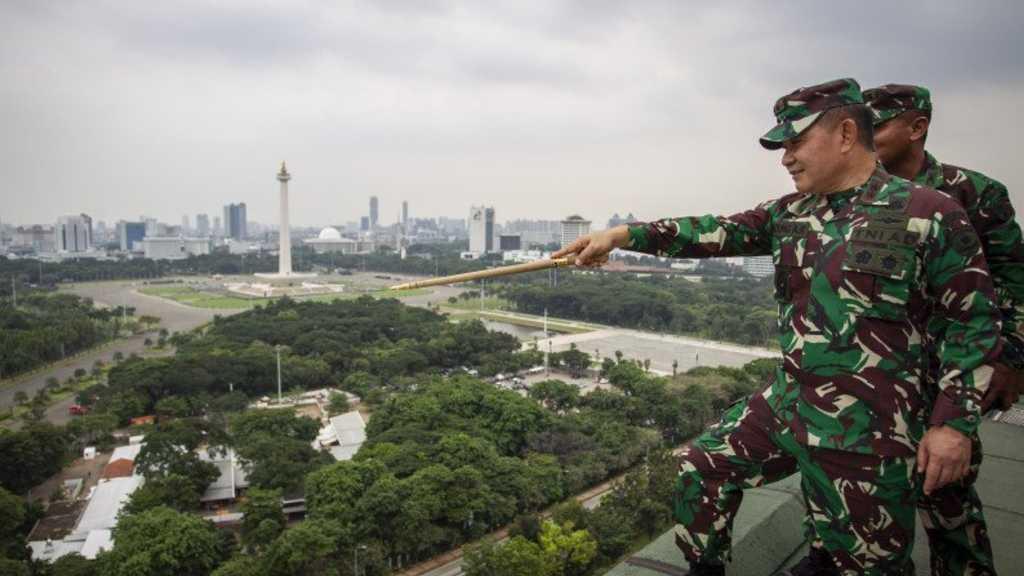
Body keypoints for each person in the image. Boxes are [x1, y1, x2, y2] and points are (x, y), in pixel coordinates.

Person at [553, 78, 1003, 576]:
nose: (786, 158)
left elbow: (973, 324)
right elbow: (713, 231)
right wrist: (620, 235)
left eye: (796, 142)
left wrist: (952, 425)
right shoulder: (790, 213)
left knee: (865, 562)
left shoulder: (929, 214)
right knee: (702, 468)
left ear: (846, 134)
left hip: (871, 425)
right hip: (791, 402)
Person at [862, 83, 1024, 576]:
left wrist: (1011, 359)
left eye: (877, 126)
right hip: (878, 371)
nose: (864, 137)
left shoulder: (973, 193)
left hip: (949, 370)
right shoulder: (857, 194)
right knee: (861, 495)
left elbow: (1014, 283)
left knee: (946, 495)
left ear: (917, 128)